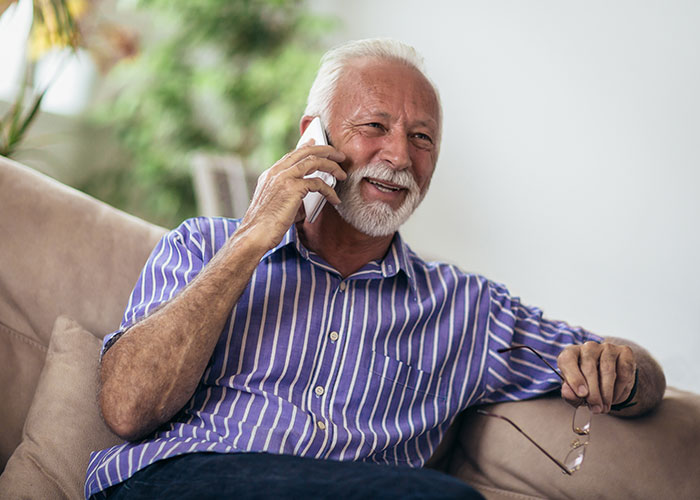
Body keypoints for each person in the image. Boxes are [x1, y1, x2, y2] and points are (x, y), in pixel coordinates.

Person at [85, 38, 666, 499]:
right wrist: (251, 241)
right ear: (312, 135)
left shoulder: (468, 309)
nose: (398, 156)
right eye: (374, 126)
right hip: (176, 482)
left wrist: (626, 368)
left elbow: (636, 375)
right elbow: (128, 409)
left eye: (421, 138)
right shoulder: (202, 246)